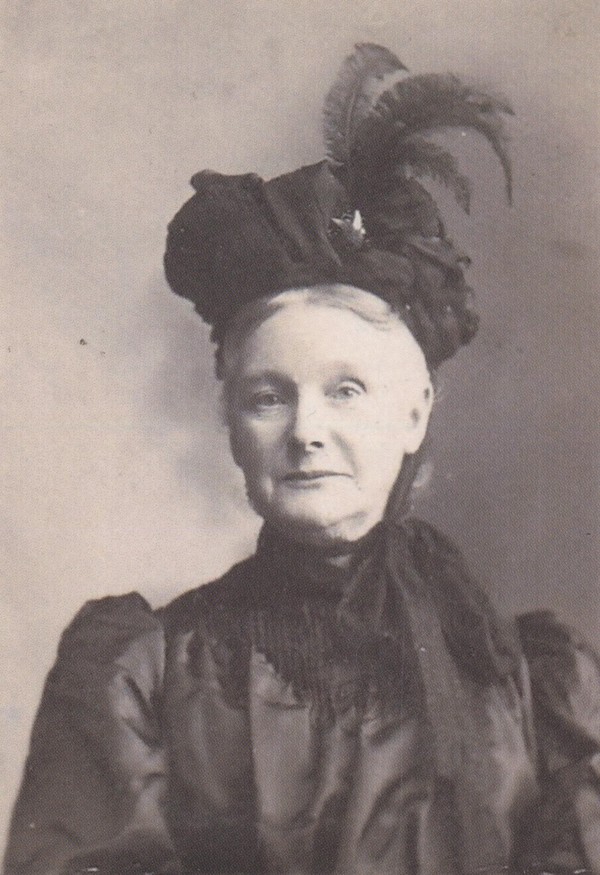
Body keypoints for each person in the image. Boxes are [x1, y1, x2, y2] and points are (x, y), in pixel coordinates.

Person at [5, 43, 600, 875]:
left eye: (347, 390)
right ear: (231, 421)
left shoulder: (532, 685)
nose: (306, 430)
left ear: (415, 411)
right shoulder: (144, 673)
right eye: (268, 396)